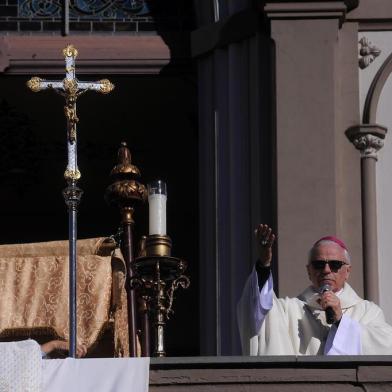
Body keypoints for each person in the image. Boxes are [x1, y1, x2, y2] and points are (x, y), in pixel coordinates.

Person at [237, 224, 392, 355]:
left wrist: (342, 322)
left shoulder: (367, 311)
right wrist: (264, 264)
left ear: (347, 272)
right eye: (318, 264)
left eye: (335, 265)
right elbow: (258, 309)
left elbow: (385, 345)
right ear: (309, 271)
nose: (326, 270)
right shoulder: (288, 310)